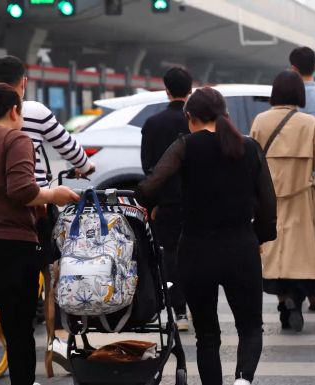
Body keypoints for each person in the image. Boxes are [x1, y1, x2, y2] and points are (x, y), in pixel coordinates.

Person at [135, 87, 277, 385]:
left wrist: (150, 204)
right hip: (241, 249)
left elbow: (150, 187)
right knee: (250, 327)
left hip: (196, 251)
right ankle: (242, 379)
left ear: (190, 118)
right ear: (226, 115)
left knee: (207, 336)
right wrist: (261, 236)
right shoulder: (249, 147)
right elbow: (267, 199)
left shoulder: (185, 146)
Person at [0, 55, 95, 371]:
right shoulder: (32, 112)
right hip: (31, 208)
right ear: (24, 83)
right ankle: (54, 330)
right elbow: (69, 148)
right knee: (51, 272)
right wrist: (86, 166)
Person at [0, 83, 80, 385]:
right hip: (11, 249)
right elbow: (22, 190)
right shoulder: (15, 139)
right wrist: (54, 195)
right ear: (14, 111)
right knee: (19, 334)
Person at [250, 70, 315, 332]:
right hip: (300, 198)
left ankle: (284, 304)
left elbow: (252, 161)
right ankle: (296, 299)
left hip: (268, 198)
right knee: (301, 255)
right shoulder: (309, 123)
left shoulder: (260, 121)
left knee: (274, 257)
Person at [140, 66, 192, 331]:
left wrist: (152, 203)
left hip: (167, 202)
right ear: (191, 89)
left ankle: (179, 311)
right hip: (195, 201)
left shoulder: (153, 123)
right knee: (196, 251)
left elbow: (148, 166)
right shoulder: (196, 121)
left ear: (166, 90)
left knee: (170, 254)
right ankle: (196, 306)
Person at [289, 46, 315, 310]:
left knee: (296, 237)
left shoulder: (286, 97)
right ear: (314, 68)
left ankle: (296, 290)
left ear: (293, 68)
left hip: (292, 182)